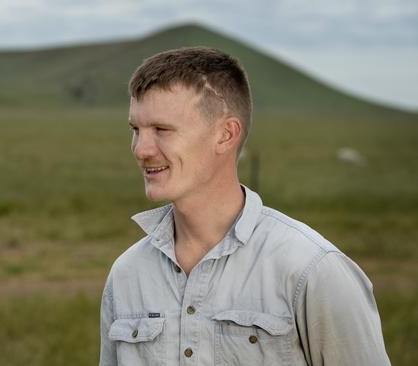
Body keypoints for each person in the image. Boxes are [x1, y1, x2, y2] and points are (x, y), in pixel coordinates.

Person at [99, 47, 390, 366]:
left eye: (162, 130)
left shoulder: (312, 270)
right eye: (135, 130)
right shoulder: (126, 275)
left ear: (226, 135)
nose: (141, 149)